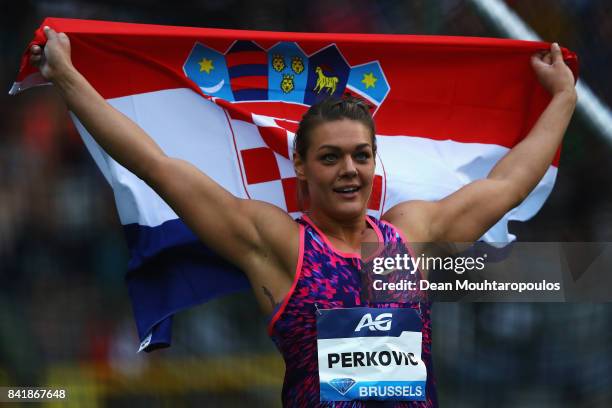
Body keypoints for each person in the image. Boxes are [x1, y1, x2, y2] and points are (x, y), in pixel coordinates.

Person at [30, 26, 576, 407]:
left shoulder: (410, 234)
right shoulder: (280, 245)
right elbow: (157, 166)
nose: (349, 171)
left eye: (361, 155)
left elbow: (506, 184)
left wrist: (563, 101)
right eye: (330, 157)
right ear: (301, 167)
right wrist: (69, 78)